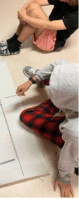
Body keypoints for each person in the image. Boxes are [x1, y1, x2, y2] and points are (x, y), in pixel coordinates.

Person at [16, 59, 78, 198]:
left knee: (27, 116)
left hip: (74, 132)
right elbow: (58, 64)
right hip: (72, 102)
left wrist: (64, 178)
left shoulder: (76, 132)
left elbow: (70, 154)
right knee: (58, 74)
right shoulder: (75, 72)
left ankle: (46, 78)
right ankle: (43, 76)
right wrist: (31, 80)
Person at [0, 0, 78, 55]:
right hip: (47, 29)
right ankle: (15, 38)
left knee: (35, 17)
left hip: (53, 42)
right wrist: (22, 11)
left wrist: (25, 18)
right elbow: (34, 1)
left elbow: (49, 25)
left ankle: (15, 45)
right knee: (33, 7)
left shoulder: (77, 15)